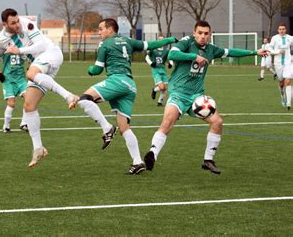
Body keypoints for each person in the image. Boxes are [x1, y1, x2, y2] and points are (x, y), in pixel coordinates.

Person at [143, 20, 267, 174]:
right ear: (194, 32)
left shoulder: (211, 49)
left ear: (210, 35)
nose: (202, 36)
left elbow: (230, 52)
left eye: (206, 33)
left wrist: (255, 52)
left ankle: (208, 160)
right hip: (178, 94)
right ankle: (152, 154)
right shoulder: (186, 42)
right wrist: (194, 57)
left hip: (197, 97)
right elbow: (172, 54)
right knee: (167, 122)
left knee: (217, 122)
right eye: (200, 33)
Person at [0, 8, 78, 167]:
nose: (17, 25)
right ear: (4, 24)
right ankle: (38, 148)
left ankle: (68, 96)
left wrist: (19, 50)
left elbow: (41, 44)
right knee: (29, 105)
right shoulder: (1, 40)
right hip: (40, 66)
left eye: (17, 20)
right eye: (13, 23)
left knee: (30, 73)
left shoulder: (27, 24)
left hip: (50, 54)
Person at [69, 18, 178, 175]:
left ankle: (107, 129)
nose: (99, 32)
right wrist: (170, 39)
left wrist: (89, 69)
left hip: (116, 81)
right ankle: (138, 162)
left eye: (101, 29)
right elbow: (151, 45)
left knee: (84, 99)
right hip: (130, 86)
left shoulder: (105, 44)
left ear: (110, 29)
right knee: (124, 128)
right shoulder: (128, 40)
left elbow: (97, 70)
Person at [0, 55, 28, 133]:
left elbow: (32, 59)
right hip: (8, 80)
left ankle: (24, 123)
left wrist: (30, 68)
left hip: (21, 80)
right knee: (11, 103)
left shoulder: (23, 48)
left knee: (29, 99)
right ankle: (6, 126)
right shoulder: (5, 49)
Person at [269, 23, 292, 110]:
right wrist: (277, 52)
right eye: (280, 29)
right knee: (281, 83)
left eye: (283, 29)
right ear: (278, 30)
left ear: (286, 30)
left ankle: (289, 103)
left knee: (288, 81)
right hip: (278, 63)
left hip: (288, 63)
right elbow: (269, 49)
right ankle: (282, 95)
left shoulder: (290, 38)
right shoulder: (274, 38)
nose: (282, 30)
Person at [145, 35, 173, 106]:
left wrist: (170, 64)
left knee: (165, 88)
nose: (161, 41)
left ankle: (160, 102)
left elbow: (170, 58)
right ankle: (154, 90)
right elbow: (147, 57)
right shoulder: (153, 49)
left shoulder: (166, 50)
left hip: (163, 70)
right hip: (156, 70)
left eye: (162, 40)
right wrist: (151, 63)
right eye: (159, 40)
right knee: (161, 87)